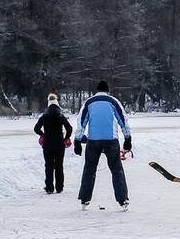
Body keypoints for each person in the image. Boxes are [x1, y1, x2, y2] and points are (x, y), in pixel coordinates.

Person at [72, 80, 132, 211]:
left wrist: (77, 141)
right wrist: (128, 138)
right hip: (111, 140)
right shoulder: (113, 101)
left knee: (89, 169)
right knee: (116, 169)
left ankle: (84, 199)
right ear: (107, 90)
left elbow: (81, 122)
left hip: (93, 141)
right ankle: (123, 200)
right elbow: (123, 120)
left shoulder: (89, 102)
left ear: (96, 90)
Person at [33, 93, 73, 194]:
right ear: (57, 103)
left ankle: (49, 187)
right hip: (59, 143)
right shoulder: (60, 115)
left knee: (49, 165)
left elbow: (36, 128)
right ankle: (59, 187)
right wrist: (66, 138)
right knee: (59, 165)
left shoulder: (45, 115)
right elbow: (69, 128)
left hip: (48, 143)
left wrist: (43, 135)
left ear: (48, 103)